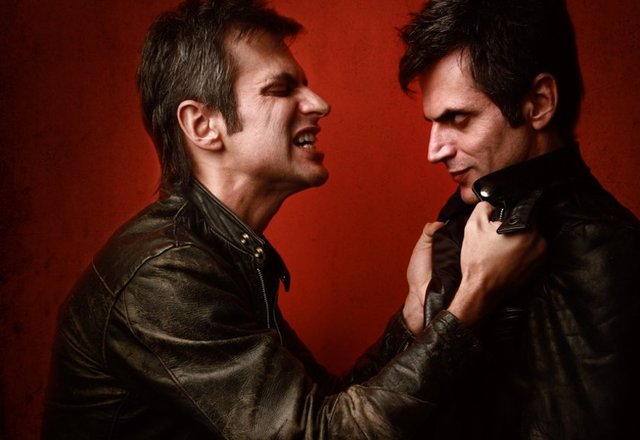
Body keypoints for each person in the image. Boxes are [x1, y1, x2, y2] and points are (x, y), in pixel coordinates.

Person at [42, 0, 545, 438]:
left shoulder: (222, 253)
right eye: (281, 89)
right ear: (203, 125)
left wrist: (412, 320)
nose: (320, 104)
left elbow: (324, 408)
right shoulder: (164, 277)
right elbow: (323, 434)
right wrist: (474, 298)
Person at [398, 0, 640, 438]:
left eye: (458, 119)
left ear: (539, 103)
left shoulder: (604, 251)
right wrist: (414, 316)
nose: (434, 150)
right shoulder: (464, 223)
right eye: (433, 122)